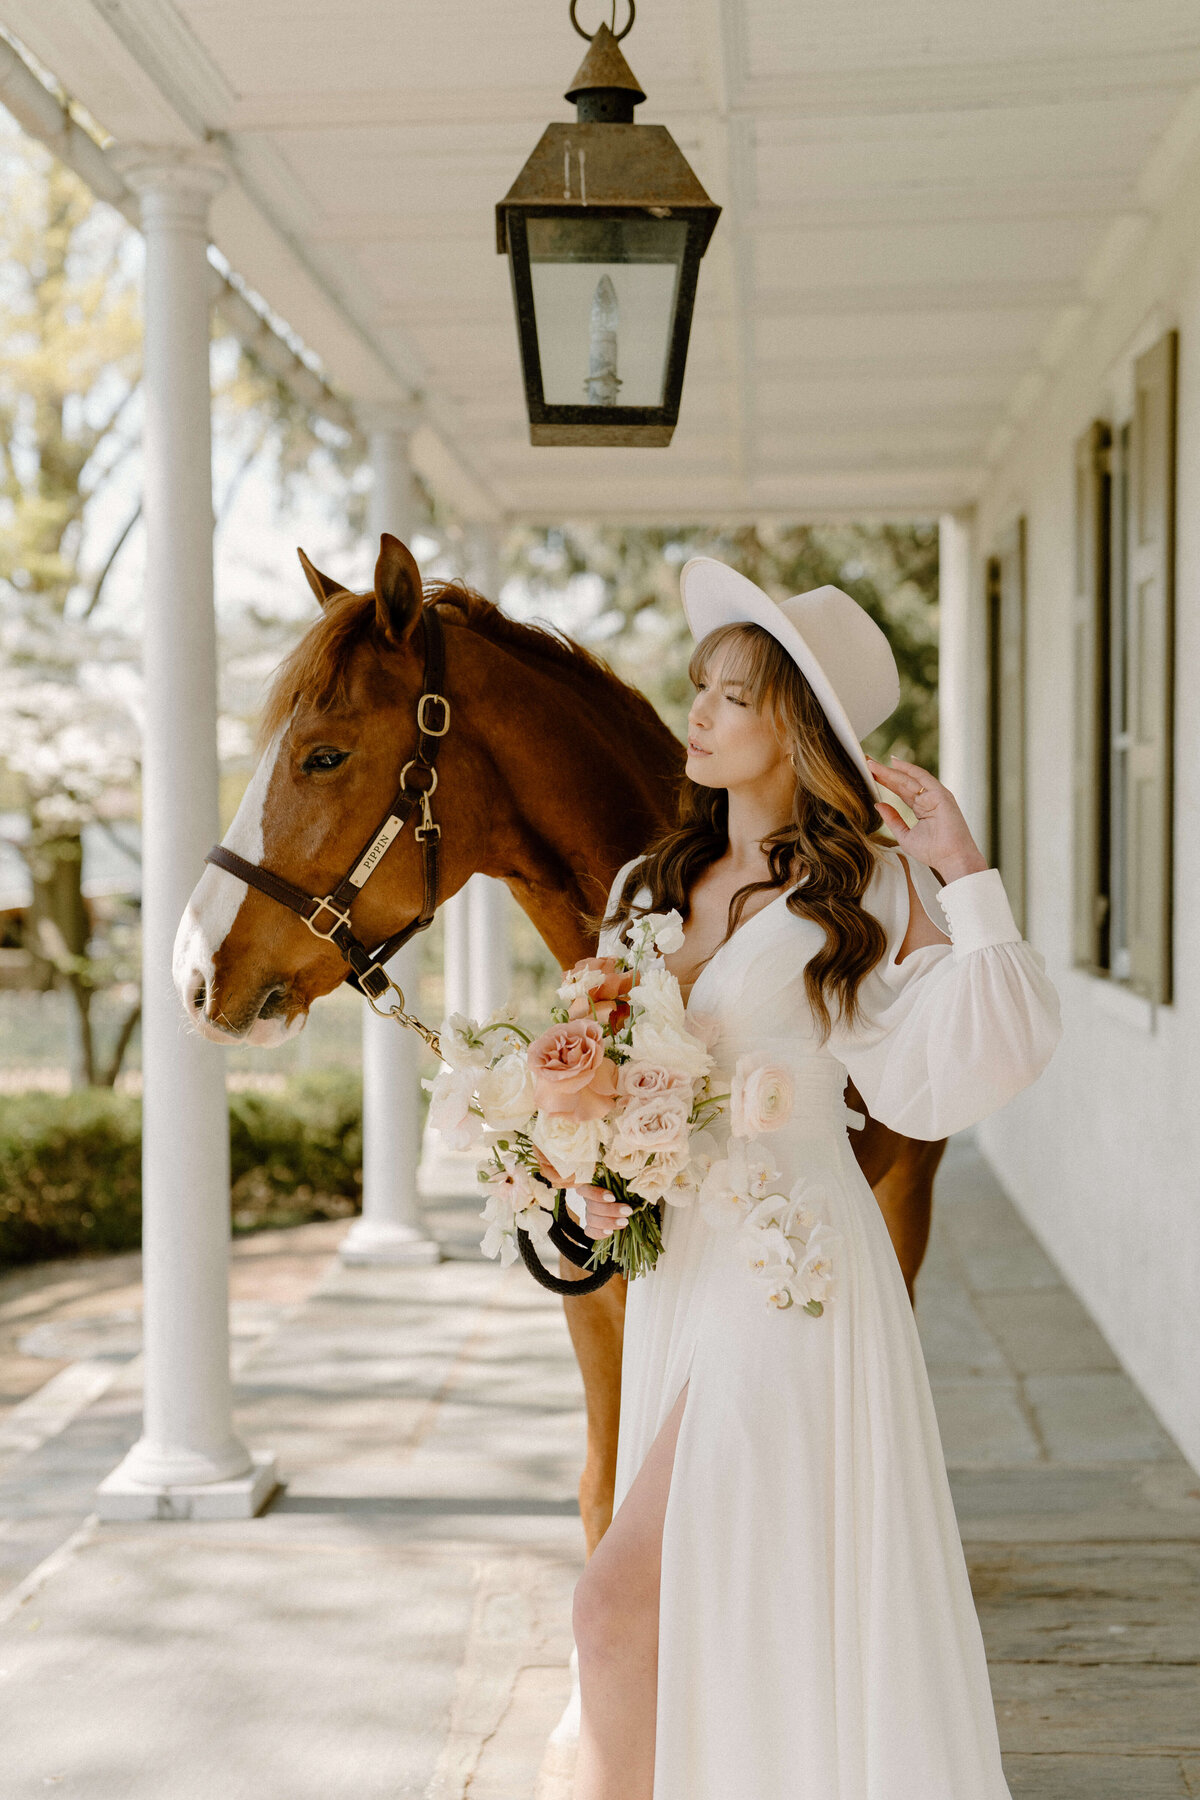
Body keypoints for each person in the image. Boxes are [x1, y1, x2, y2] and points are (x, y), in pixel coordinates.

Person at [568, 557, 1062, 1800]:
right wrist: (578, 1161)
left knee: (616, 1602)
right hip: (683, 1264)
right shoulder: (650, 889)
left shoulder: (865, 889)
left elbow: (984, 1044)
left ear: (792, 726)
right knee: (716, 1591)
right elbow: (619, 1069)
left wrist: (964, 870)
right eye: (702, 688)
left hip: (794, 1273)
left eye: (732, 696)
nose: (700, 713)